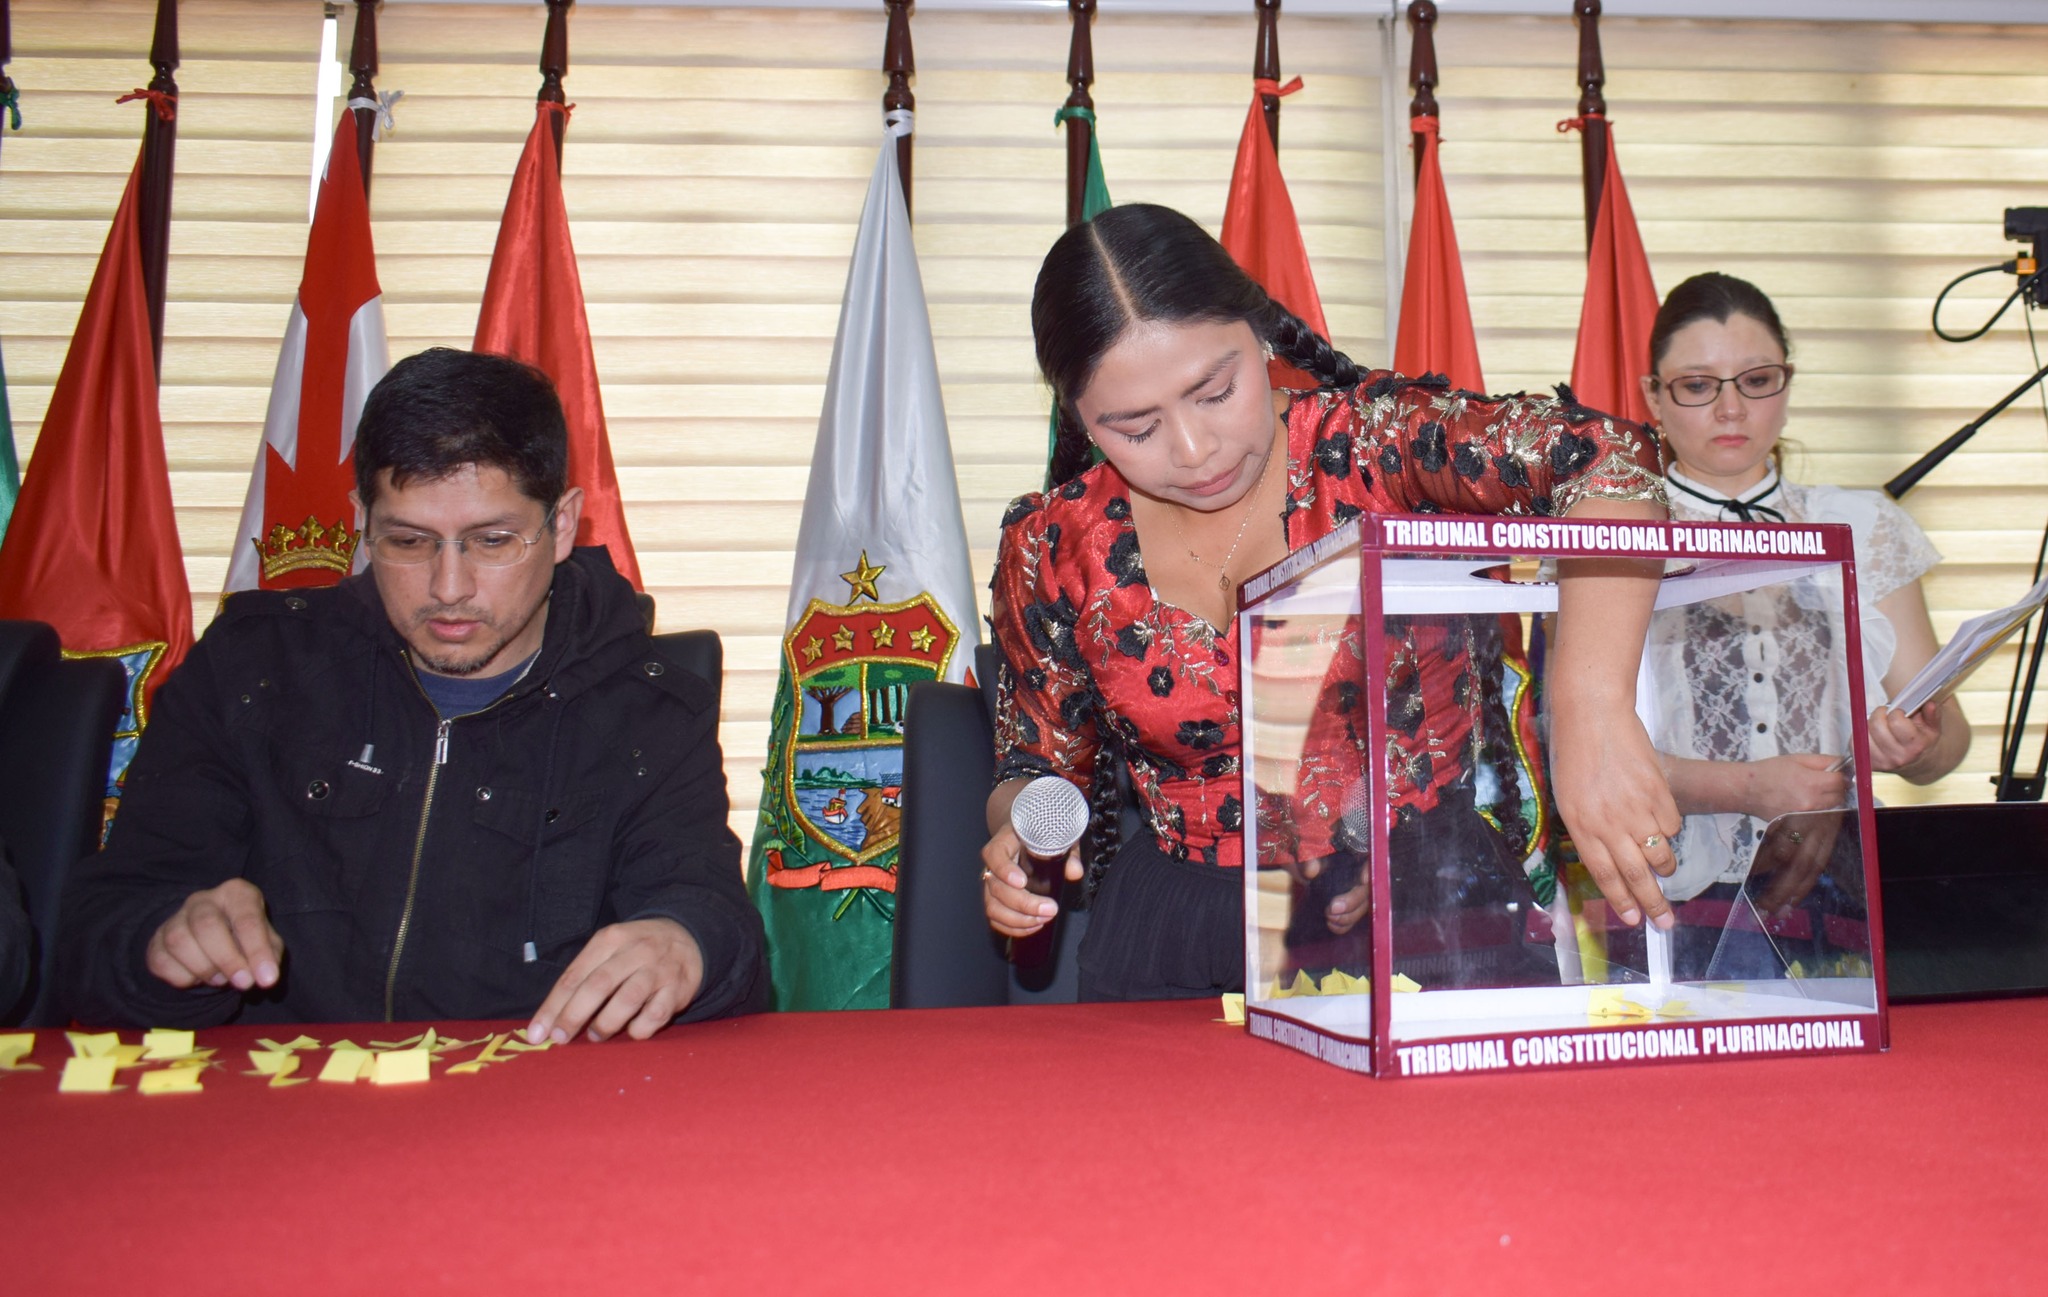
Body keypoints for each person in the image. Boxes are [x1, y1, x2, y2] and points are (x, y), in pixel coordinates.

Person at [978, 203, 1682, 1001]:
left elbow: (1612, 459)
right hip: (1176, 936)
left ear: (1259, 332)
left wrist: (1591, 704)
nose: (1195, 449)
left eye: (1215, 391)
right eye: (1136, 428)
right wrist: (1020, 831)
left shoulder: (1374, 448)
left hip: (1425, 913)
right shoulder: (1054, 542)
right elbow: (1035, 762)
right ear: (1077, 414)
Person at [59, 348, 766, 1039]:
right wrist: (162, 943)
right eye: (407, 542)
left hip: (529, 1096)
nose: (448, 588)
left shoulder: (649, 712)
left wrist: (684, 941)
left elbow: (709, 916)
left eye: (492, 541)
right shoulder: (249, 669)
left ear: (559, 526)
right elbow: (95, 932)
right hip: (277, 1094)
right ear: (361, 522)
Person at [1636, 272, 1968, 919]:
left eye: (1756, 380)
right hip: (1665, 896)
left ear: (1786, 383)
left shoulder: (1862, 525)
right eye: (1699, 385)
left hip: (1842, 898)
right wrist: (1751, 788)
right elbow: (1577, 751)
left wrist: (1918, 746)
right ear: (1654, 394)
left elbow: (1947, 740)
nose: (1731, 410)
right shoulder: (1614, 535)